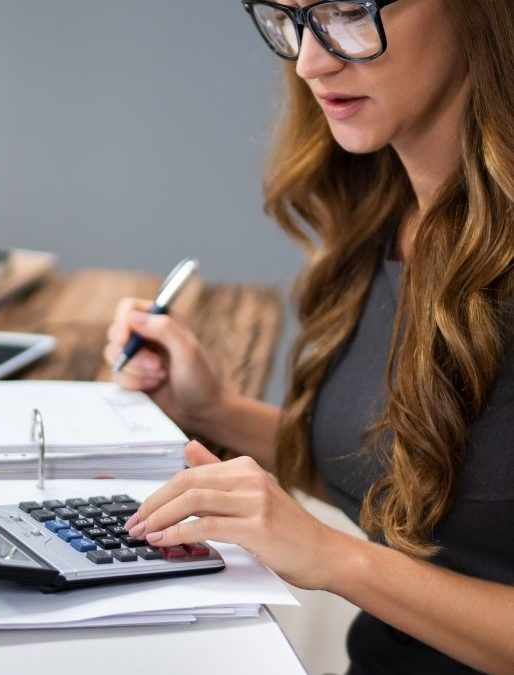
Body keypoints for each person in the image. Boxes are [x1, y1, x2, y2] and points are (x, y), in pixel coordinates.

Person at [103, 1, 514, 673]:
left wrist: (334, 557)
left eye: (349, 12)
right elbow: (423, 479)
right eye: (289, 19)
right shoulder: (390, 213)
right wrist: (213, 409)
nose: (309, 60)